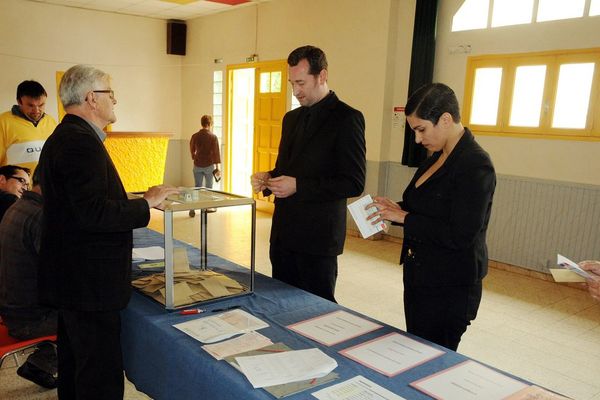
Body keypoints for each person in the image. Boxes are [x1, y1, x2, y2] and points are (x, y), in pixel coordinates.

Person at [37, 64, 179, 400]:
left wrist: (128, 198)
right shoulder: (79, 143)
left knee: (76, 364)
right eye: (109, 93)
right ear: (91, 99)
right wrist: (146, 204)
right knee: (98, 375)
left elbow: (82, 203)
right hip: (88, 283)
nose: (115, 100)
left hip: (75, 278)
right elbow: (92, 213)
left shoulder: (68, 136)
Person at [367, 83, 496, 351]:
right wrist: (392, 208)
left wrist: (404, 218)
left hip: (450, 286)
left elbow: (461, 234)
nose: (417, 139)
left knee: (434, 360)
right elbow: (425, 206)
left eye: (421, 129)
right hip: (421, 276)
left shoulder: (475, 164)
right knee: (415, 349)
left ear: (446, 120)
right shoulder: (436, 157)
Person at [251, 45, 366, 302]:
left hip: (317, 240)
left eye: (301, 83)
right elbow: (286, 170)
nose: (296, 91)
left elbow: (354, 182)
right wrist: (268, 179)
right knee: (280, 305)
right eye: (292, 83)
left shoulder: (347, 118)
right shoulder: (291, 119)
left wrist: (299, 186)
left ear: (322, 76)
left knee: (316, 311)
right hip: (283, 235)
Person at [0, 168, 57, 389]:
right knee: (92, 314)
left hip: (11, 309)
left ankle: (41, 362)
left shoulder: (19, 207)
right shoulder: (40, 216)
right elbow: (60, 271)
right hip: (27, 319)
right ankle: (45, 364)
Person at [0, 80, 57, 172]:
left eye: (41, 105)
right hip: (16, 185)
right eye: (31, 105)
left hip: (47, 185)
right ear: (19, 102)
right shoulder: (3, 122)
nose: (36, 110)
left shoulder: (51, 122)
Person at [189, 114, 221, 217]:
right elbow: (216, 153)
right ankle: (206, 207)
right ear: (210, 124)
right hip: (209, 165)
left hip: (197, 164)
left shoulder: (195, 136)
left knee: (197, 187)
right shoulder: (213, 137)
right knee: (208, 187)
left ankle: (192, 208)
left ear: (202, 123)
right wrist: (217, 168)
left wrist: (194, 157)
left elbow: (192, 149)